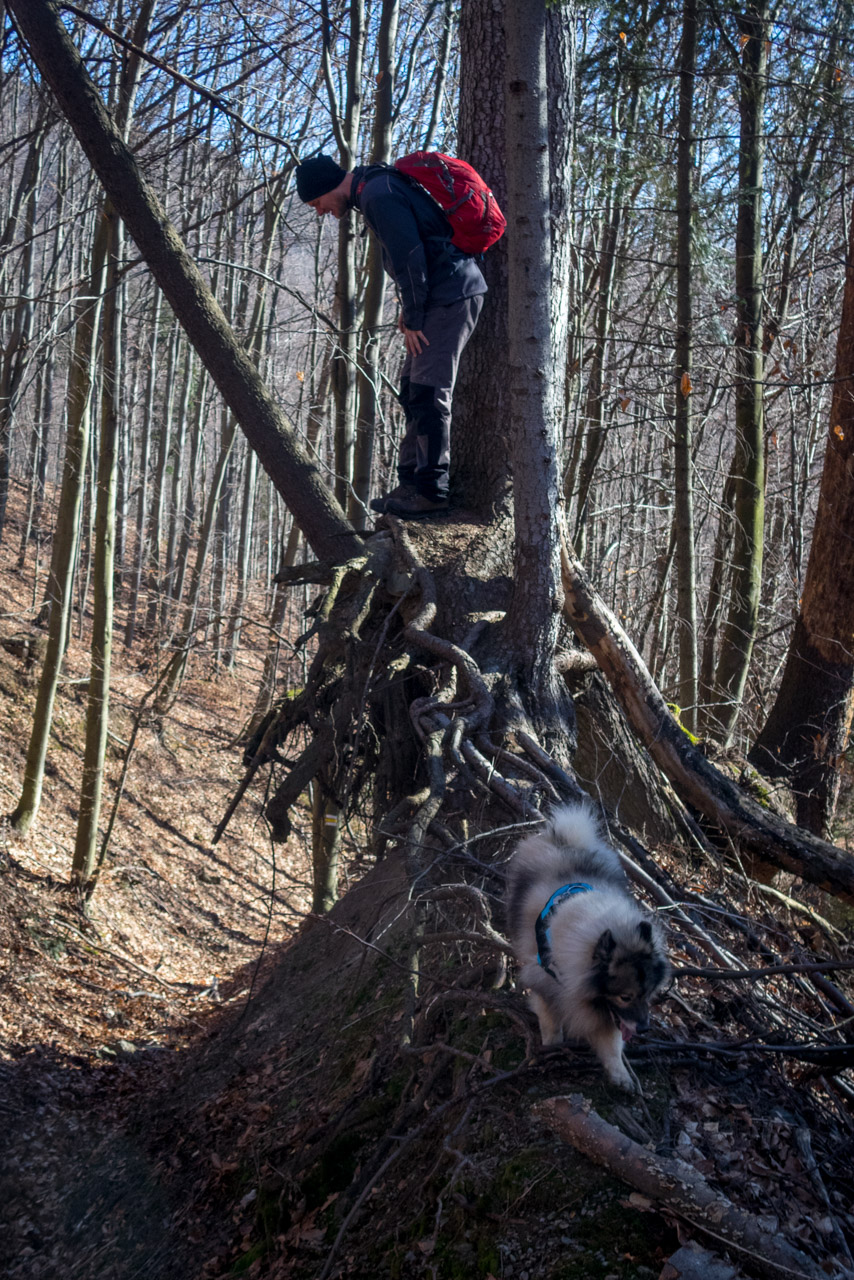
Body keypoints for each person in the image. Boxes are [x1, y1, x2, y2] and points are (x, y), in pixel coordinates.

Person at [295, 154, 486, 519]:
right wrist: (411, 311)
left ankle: (432, 491)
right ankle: (411, 482)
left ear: (326, 188)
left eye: (317, 203)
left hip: (452, 295)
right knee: (411, 388)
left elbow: (410, 256)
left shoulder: (378, 194)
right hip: (437, 297)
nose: (321, 212)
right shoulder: (373, 187)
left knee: (430, 393)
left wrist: (414, 316)